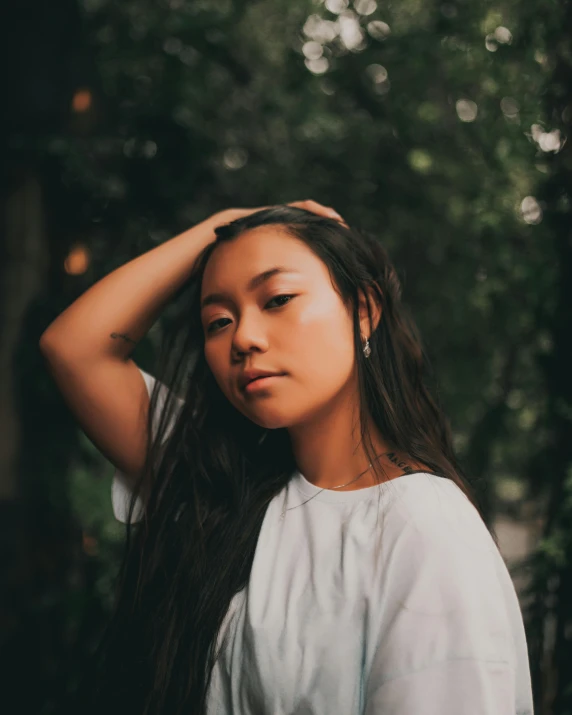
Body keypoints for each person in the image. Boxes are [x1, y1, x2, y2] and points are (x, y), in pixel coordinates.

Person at [40, 200, 534, 715]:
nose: (244, 339)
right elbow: (74, 347)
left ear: (364, 311)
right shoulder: (225, 488)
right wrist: (226, 225)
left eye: (277, 299)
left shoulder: (423, 528)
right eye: (218, 321)